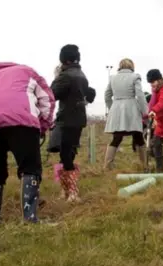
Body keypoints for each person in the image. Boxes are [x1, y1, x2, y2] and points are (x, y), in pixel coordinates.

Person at [0, 62, 55, 223]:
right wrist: (42, 126)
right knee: (30, 168)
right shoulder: (27, 71)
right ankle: (29, 218)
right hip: (20, 119)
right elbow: (47, 99)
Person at [51, 44, 95, 202]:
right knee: (69, 153)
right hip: (78, 118)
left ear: (63, 59)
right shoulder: (81, 74)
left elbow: (51, 94)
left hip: (66, 119)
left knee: (65, 155)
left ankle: (72, 192)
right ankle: (66, 191)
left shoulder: (66, 76)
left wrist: (56, 78)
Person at [104, 58, 148, 171]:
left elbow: (107, 96)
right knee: (139, 137)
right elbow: (140, 95)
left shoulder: (113, 78)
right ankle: (145, 166)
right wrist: (145, 112)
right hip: (131, 109)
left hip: (116, 108)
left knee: (117, 138)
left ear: (120, 66)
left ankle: (107, 166)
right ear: (132, 66)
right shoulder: (135, 77)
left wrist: (112, 108)